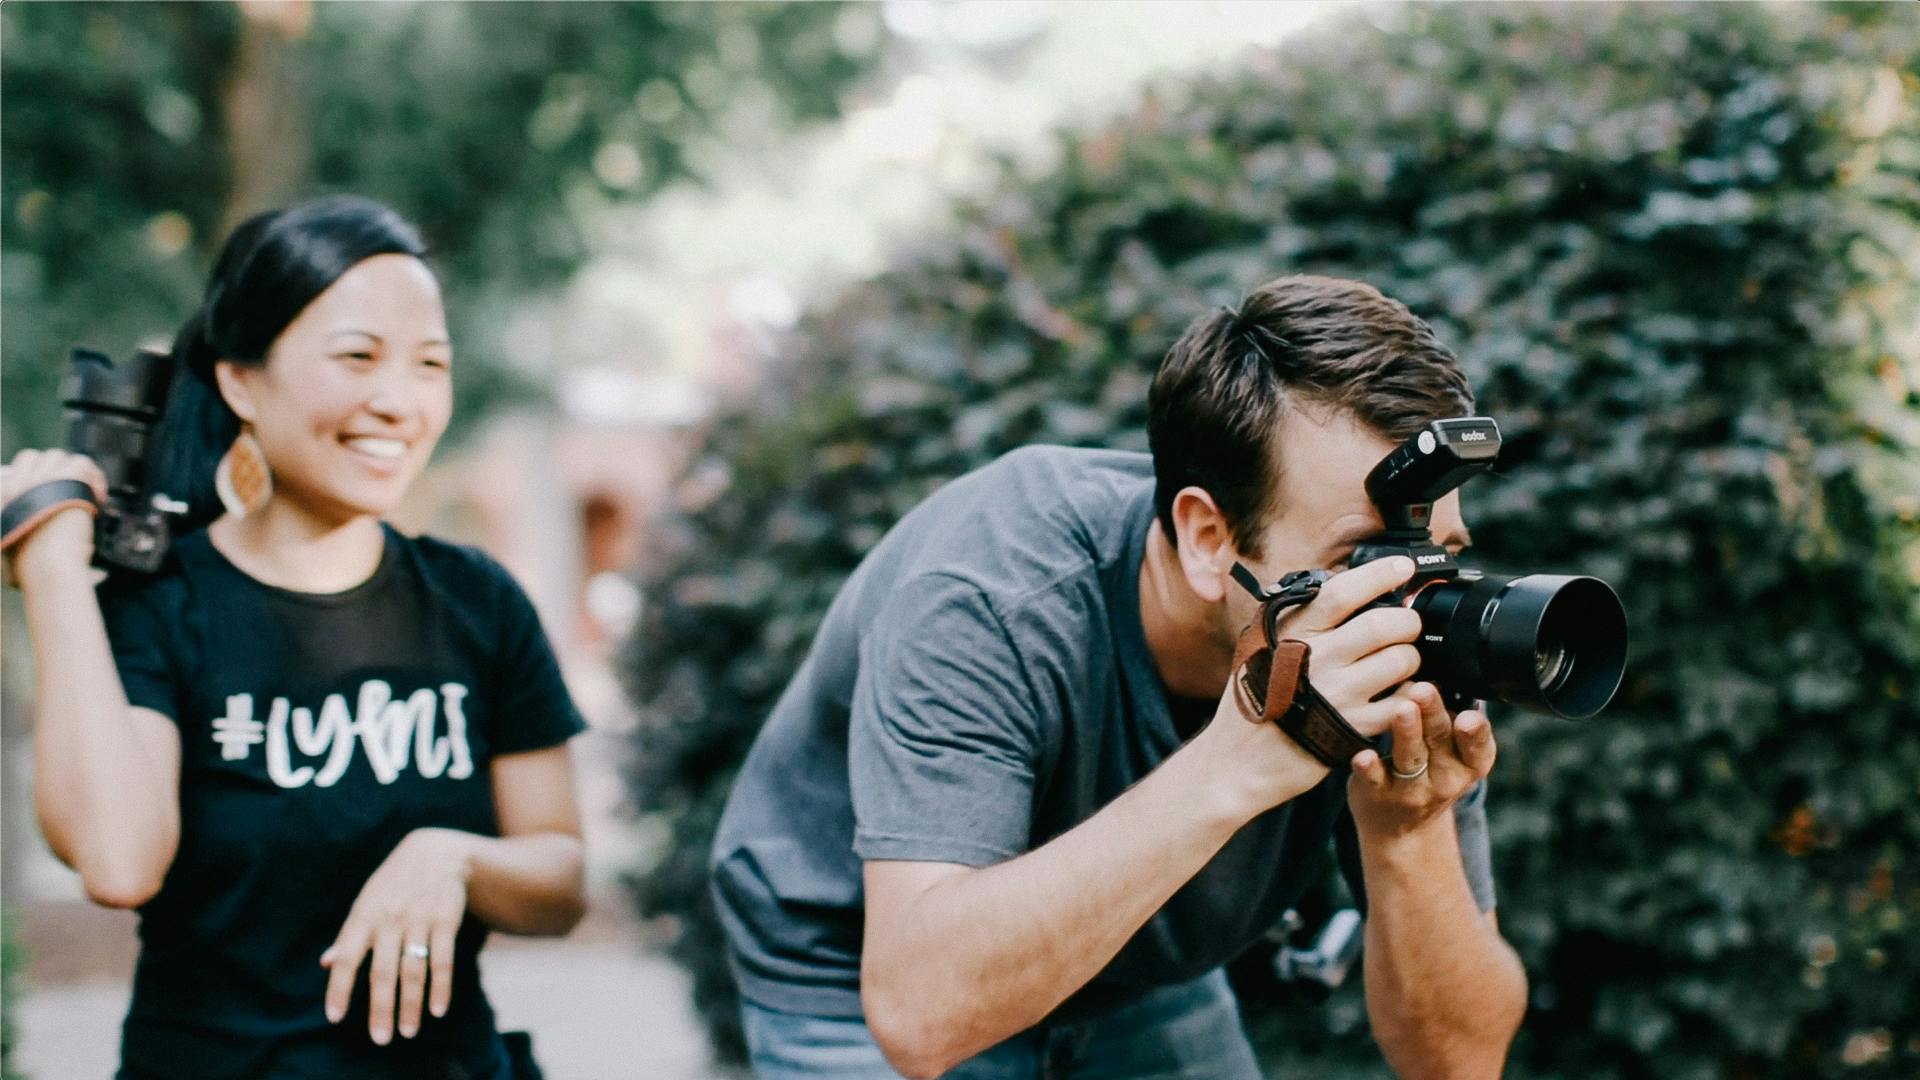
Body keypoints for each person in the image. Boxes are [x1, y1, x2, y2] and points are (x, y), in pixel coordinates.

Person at [710, 275, 1529, 1078]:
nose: (1411, 601)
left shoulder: (1402, 633)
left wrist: (1408, 833)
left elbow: (1457, 1063)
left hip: (1133, 962)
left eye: (1440, 558)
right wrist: (1240, 758)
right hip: (858, 960)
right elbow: (921, 1015)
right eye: (1363, 561)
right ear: (1208, 537)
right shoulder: (989, 593)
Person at [1, 196, 588, 1080]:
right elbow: (119, 862)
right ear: (241, 379)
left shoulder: (479, 601)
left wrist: (455, 858)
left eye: (430, 364)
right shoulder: (164, 607)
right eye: (357, 357)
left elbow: (562, 881)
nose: (398, 401)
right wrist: (52, 575)